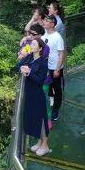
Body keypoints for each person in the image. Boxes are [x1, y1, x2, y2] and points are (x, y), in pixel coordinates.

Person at [16, 23, 50, 155]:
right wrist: (22, 68)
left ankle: (45, 144)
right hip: (29, 93)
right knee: (34, 118)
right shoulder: (29, 57)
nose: (31, 45)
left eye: (34, 45)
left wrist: (29, 73)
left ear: (40, 48)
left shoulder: (43, 63)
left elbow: (40, 81)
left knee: (41, 119)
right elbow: (17, 65)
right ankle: (39, 142)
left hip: (37, 94)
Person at [42, 15, 66, 123]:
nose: (45, 22)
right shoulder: (44, 36)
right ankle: (49, 105)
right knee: (49, 87)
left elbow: (61, 54)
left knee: (57, 90)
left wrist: (57, 69)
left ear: (52, 24)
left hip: (55, 68)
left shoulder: (58, 37)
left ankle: (56, 110)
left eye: (47, 21)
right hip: (46, 68)